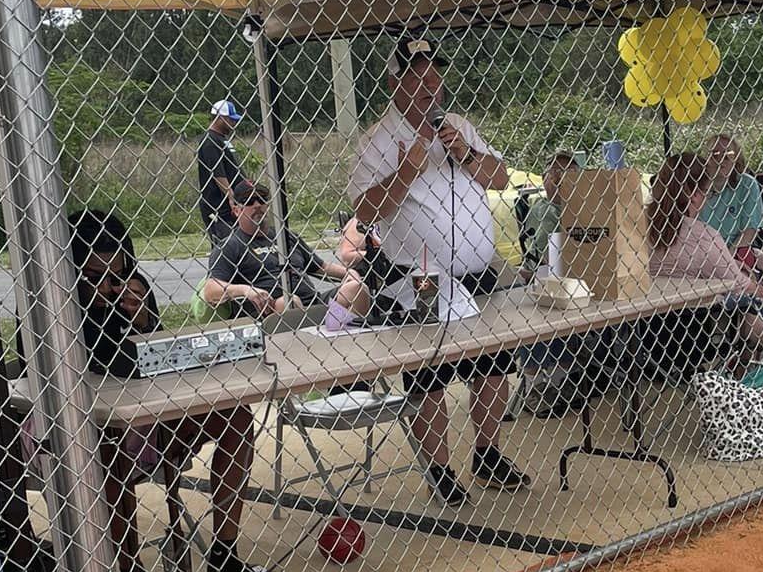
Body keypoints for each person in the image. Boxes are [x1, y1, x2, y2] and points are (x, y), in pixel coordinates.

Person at [348, 30, 530, 507]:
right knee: (431, 374)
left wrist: (465, 154)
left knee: (493, 363)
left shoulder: (459, 126)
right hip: (418, 277)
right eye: (417, 80)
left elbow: (501, 177)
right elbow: (365, 210)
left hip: (476, 272)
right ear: (395, 85)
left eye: (434, 77)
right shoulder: (379, 139)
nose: (430, 86)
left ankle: (487, 453)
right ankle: (439, 467)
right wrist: (408, 169)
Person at [69, 208, 289, 572]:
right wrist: (87, 309)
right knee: (108, 448)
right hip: (84, 423)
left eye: (114, 274)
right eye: (94, 277)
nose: (107, 284)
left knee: (235, 417)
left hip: (145, 411)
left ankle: (224, 556)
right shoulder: (51, 301)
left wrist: (138, 320)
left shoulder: (132, 288)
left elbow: (151, 358)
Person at [647, 152, 763, 363]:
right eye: (707, 193)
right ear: (694, 194)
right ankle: (761, 387)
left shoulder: (636, 226)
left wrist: (731, 264)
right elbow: (740, 286)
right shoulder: (703, 235)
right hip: (704, 332)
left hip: (648, 331)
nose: (707, 199)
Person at [200, 176, 344, 319]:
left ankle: (346, 331)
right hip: (273, 314)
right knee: (290, 302)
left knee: (355, 288)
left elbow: (321, 267)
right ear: (236, 210)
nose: (257, 205)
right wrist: (246, 290)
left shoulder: (286, 236)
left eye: (262, 199)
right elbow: (210, 290)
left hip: (316, 305)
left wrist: (352, 273)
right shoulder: (230, 245)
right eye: (249, 201)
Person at [701, 134, 763, 266]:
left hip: (735, 246)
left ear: (736, 159)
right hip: (702, 246)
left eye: (727, 156)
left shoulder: (746, 184)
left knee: (747, 256)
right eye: (714, 155)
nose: (721, 161)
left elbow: (750, 230)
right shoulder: (697, 184)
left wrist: (728, 255)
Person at [518, 148, 580, 276]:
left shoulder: (586, 209)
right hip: (539, 273)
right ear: (543, 178)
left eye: (569, 171)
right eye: (554, 171)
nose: (560, 177)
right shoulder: (537, 209)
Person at [197, 99, 249, 242]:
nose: (234, 123)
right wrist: (231, 197)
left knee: (241, 242)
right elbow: (217, 172)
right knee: (226, 243)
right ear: (220, 118)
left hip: (234, 201)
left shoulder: (222, 139)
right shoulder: (210, 141)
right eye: (230, 120)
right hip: (219, 204)